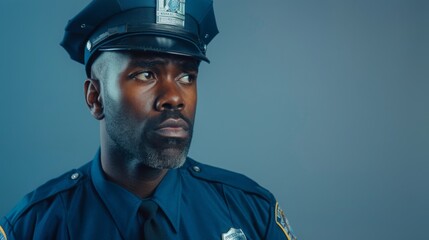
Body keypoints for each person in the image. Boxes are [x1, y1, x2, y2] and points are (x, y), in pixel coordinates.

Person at [0, 0, 297, 239]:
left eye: (186, 76)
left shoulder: (250, 213)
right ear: (95, 97)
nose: (174, 97)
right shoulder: (32, 228)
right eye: (146, 74)